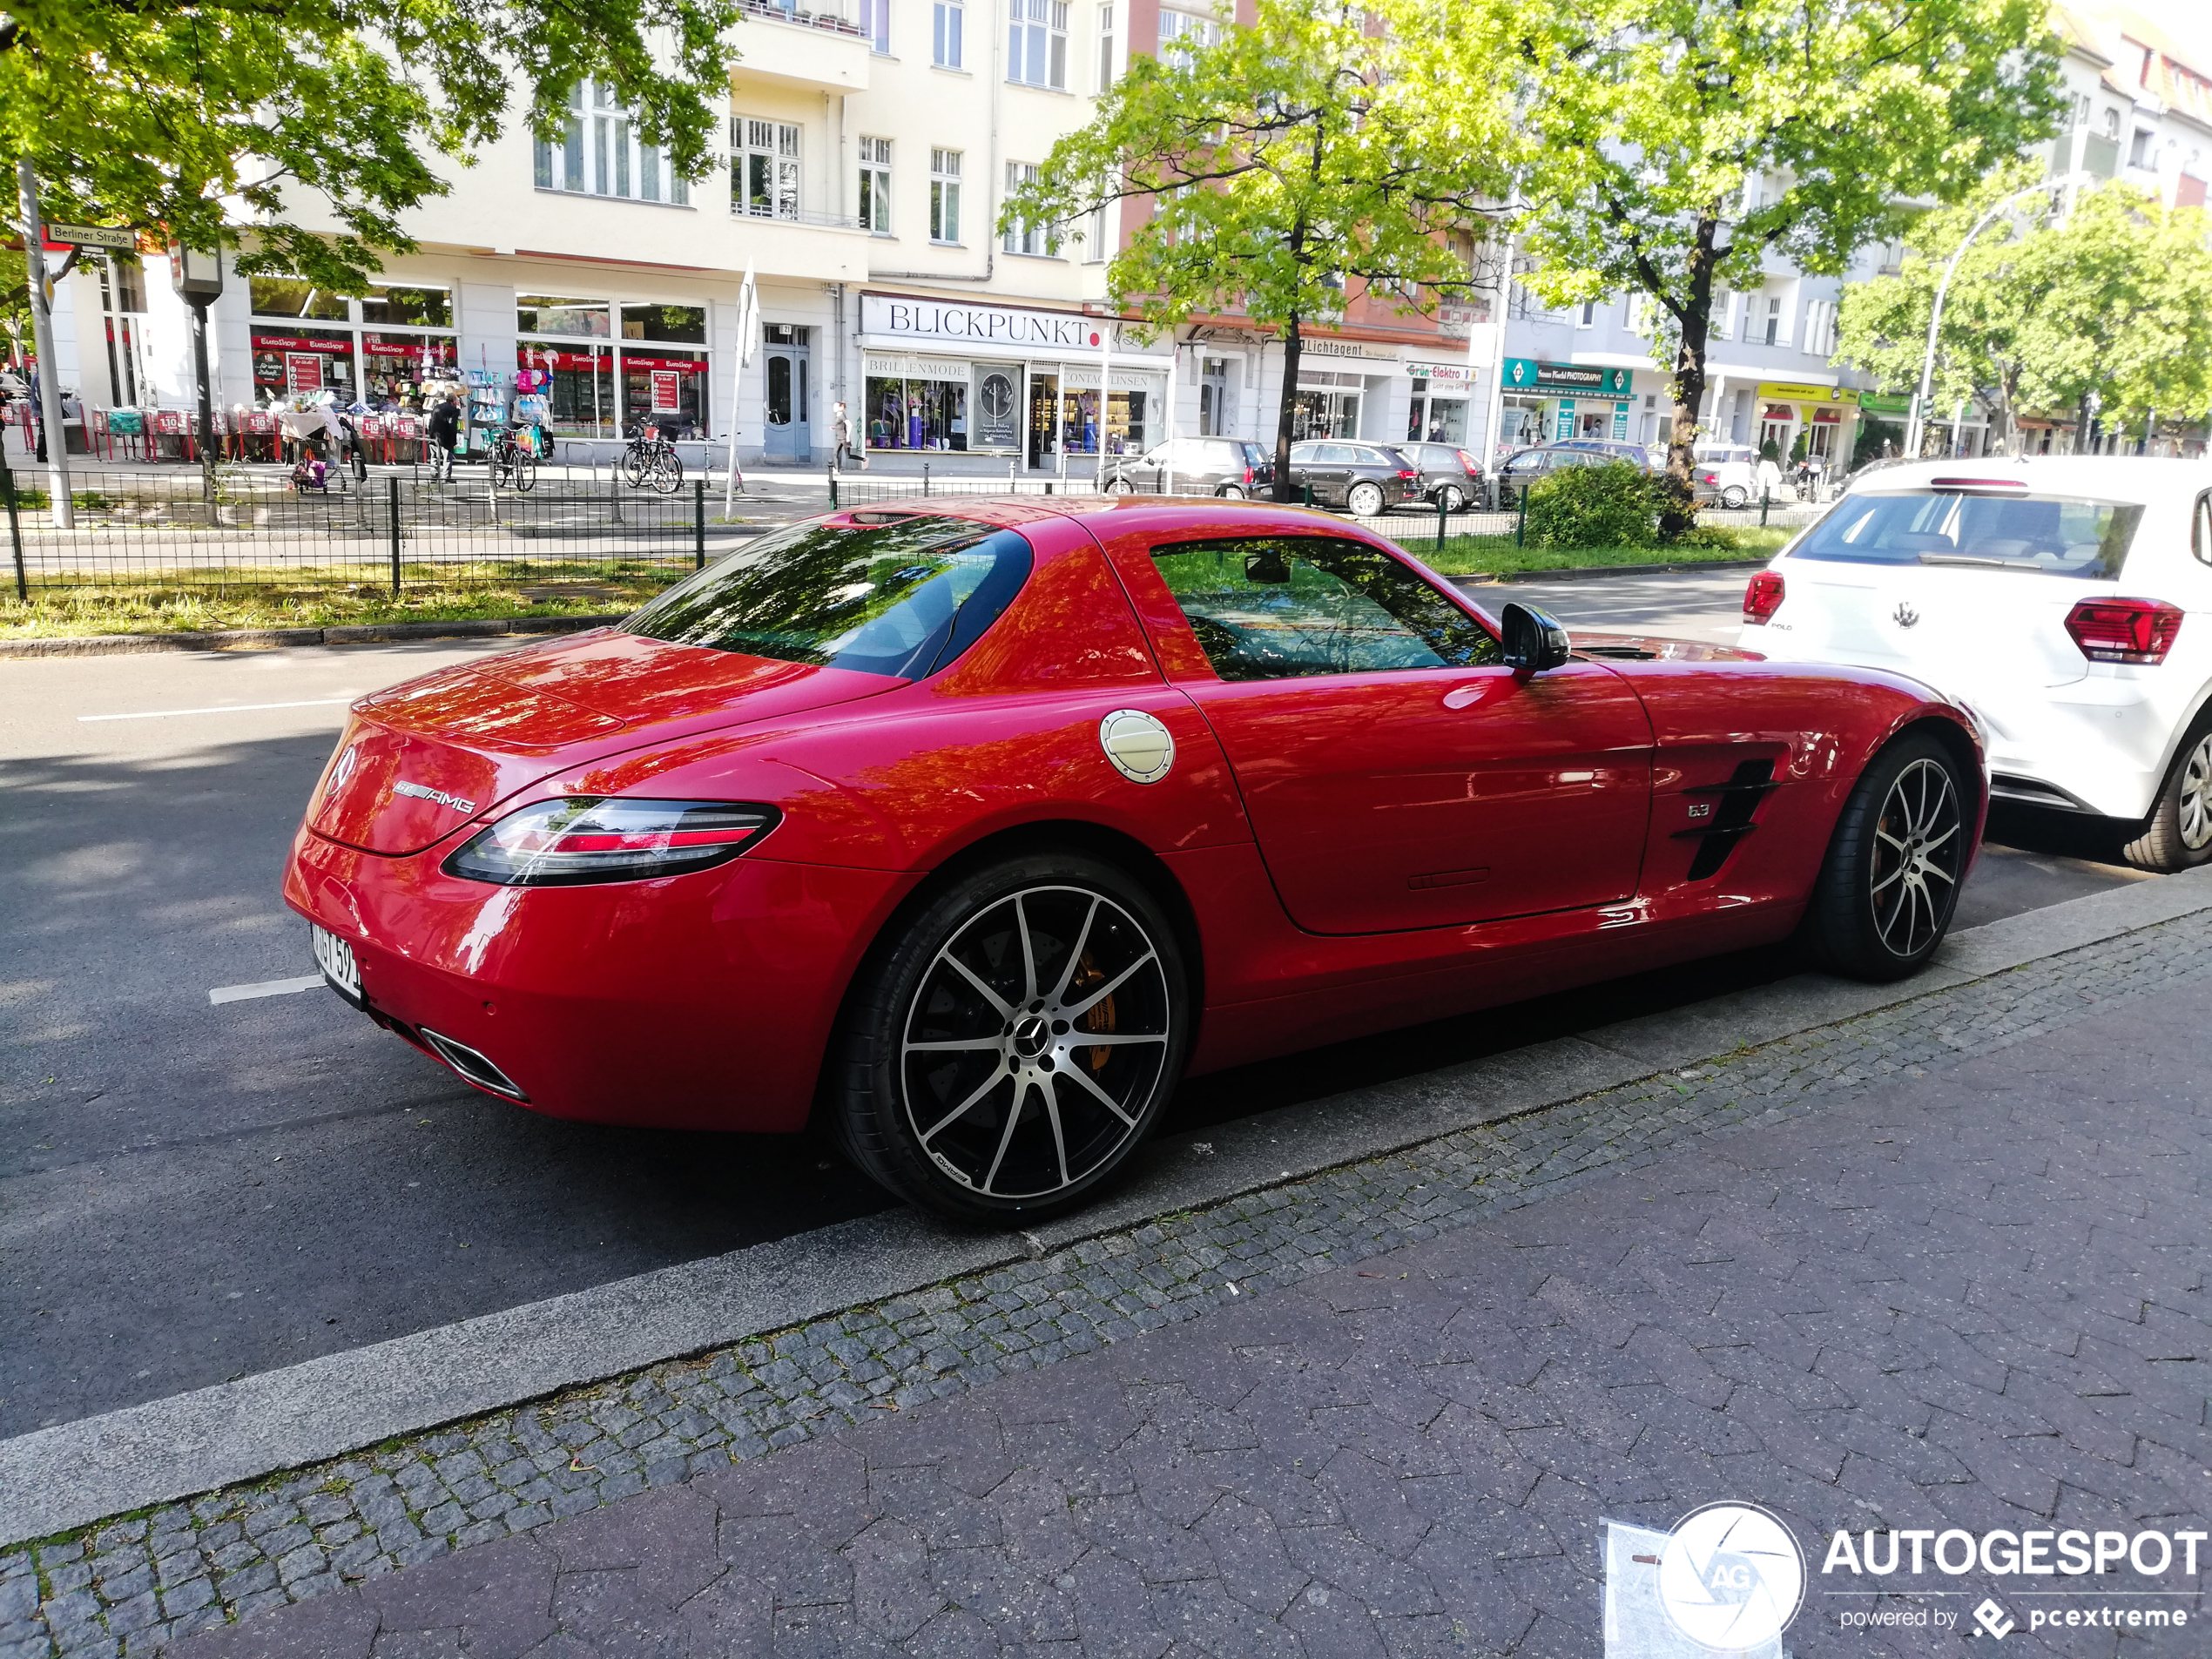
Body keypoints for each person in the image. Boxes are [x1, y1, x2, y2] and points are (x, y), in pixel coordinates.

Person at [425, 394, 460, 481]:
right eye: (457, 400)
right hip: (446, 436)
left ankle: (434, 476)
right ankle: (446, 476)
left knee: (434, 456)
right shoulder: (454, 410)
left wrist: (430, 434)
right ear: (454, 401)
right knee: (447, 457)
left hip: (434, 435)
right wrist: (454, 440)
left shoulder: (437, 407)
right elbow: (452, 425)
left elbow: (431, 421)